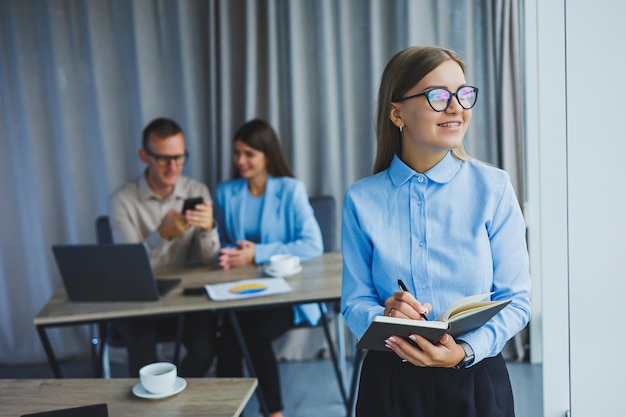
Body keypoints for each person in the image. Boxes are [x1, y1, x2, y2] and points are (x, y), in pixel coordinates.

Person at [341, 46, 531, 417]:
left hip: (475, 376)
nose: (457, 107)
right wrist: (385, 316)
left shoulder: (493, 188)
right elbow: (354, 303)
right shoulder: (361, 199)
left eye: (463, 94)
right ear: (397, 113)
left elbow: (518, 300)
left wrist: (464, 351)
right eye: (438, 96)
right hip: (390, 382)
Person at [214, 118, 323, 417]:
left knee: (252, 336)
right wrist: (228, 255)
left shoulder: (290, 190)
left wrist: (257, 253)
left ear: (267, 155)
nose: (240, 161)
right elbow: (220, 242)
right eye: (237, 153)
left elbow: (313, 244)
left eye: (249, 154)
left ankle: (273, 412)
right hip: (241, 289)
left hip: (287, 292)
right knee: (228, 339)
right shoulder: (226, 192)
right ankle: (228, 410)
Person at [109, 117, 220, 377]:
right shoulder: (123, 201)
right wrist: (161, 235)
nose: (173, 167)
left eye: (179, 158)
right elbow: (129, 269)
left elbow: (208, 260)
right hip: (139, 297)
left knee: (205, 349)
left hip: (183, 294)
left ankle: (175, 395)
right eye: (163, 159)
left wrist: (208, 229)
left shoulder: (197, 190)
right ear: (144, 156)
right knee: (143, 356)